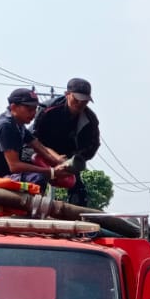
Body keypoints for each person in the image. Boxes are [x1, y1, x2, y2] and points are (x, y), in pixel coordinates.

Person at [0, 88, 69, 187]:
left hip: (3, 177)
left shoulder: (19, 126)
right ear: (13, 107)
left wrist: (59, 161)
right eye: (29, 109)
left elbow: (40, 148)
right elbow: (15, 166)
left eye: (35, 109)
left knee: (40, 175)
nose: (33, 113)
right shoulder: (5, 126)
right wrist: (50, 172)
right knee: (37, 178)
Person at [31, 77, 101, 207]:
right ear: (67, 95)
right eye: (77, 99)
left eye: (84, 101)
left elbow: (92, 146)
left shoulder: (90, 120)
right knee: (34, 183)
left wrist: (73, 161)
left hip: (67, 159)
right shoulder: (47, 110)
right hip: (38, 151)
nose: (80, 103)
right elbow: (33, 139)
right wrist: (53, 158)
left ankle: (77, 219)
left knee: (79, 192)